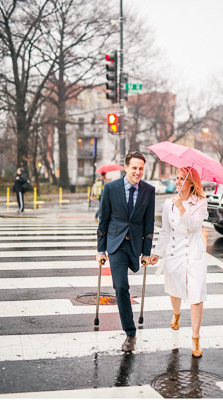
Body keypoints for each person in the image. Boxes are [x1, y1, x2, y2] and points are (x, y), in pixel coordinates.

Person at [96, 151, 155, 353]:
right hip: (116, 244)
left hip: (135, 245)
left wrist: (146, 252)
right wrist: (100, 249)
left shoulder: (149, 190)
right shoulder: (111, 188)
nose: (138, 172)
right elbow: (103, 219)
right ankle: (130, 334)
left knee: (127, 281)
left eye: (141, 168)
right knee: (121, 287)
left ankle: (130, 332)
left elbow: (149, 223)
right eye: (134, 168)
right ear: (126, 167)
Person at [149, 167, 208, 358]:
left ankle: (195, 338)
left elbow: (193, 226)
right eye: (177, 178)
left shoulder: (200, 203)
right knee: (174, 290)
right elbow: (165, 231)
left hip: (194, 254)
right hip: (174, 253)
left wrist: (182, 207)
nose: (178, 181)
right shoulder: (168, 204)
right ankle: (176, 313)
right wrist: (157, 252)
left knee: (196, 294)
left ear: (191, 183)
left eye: (182, 178)